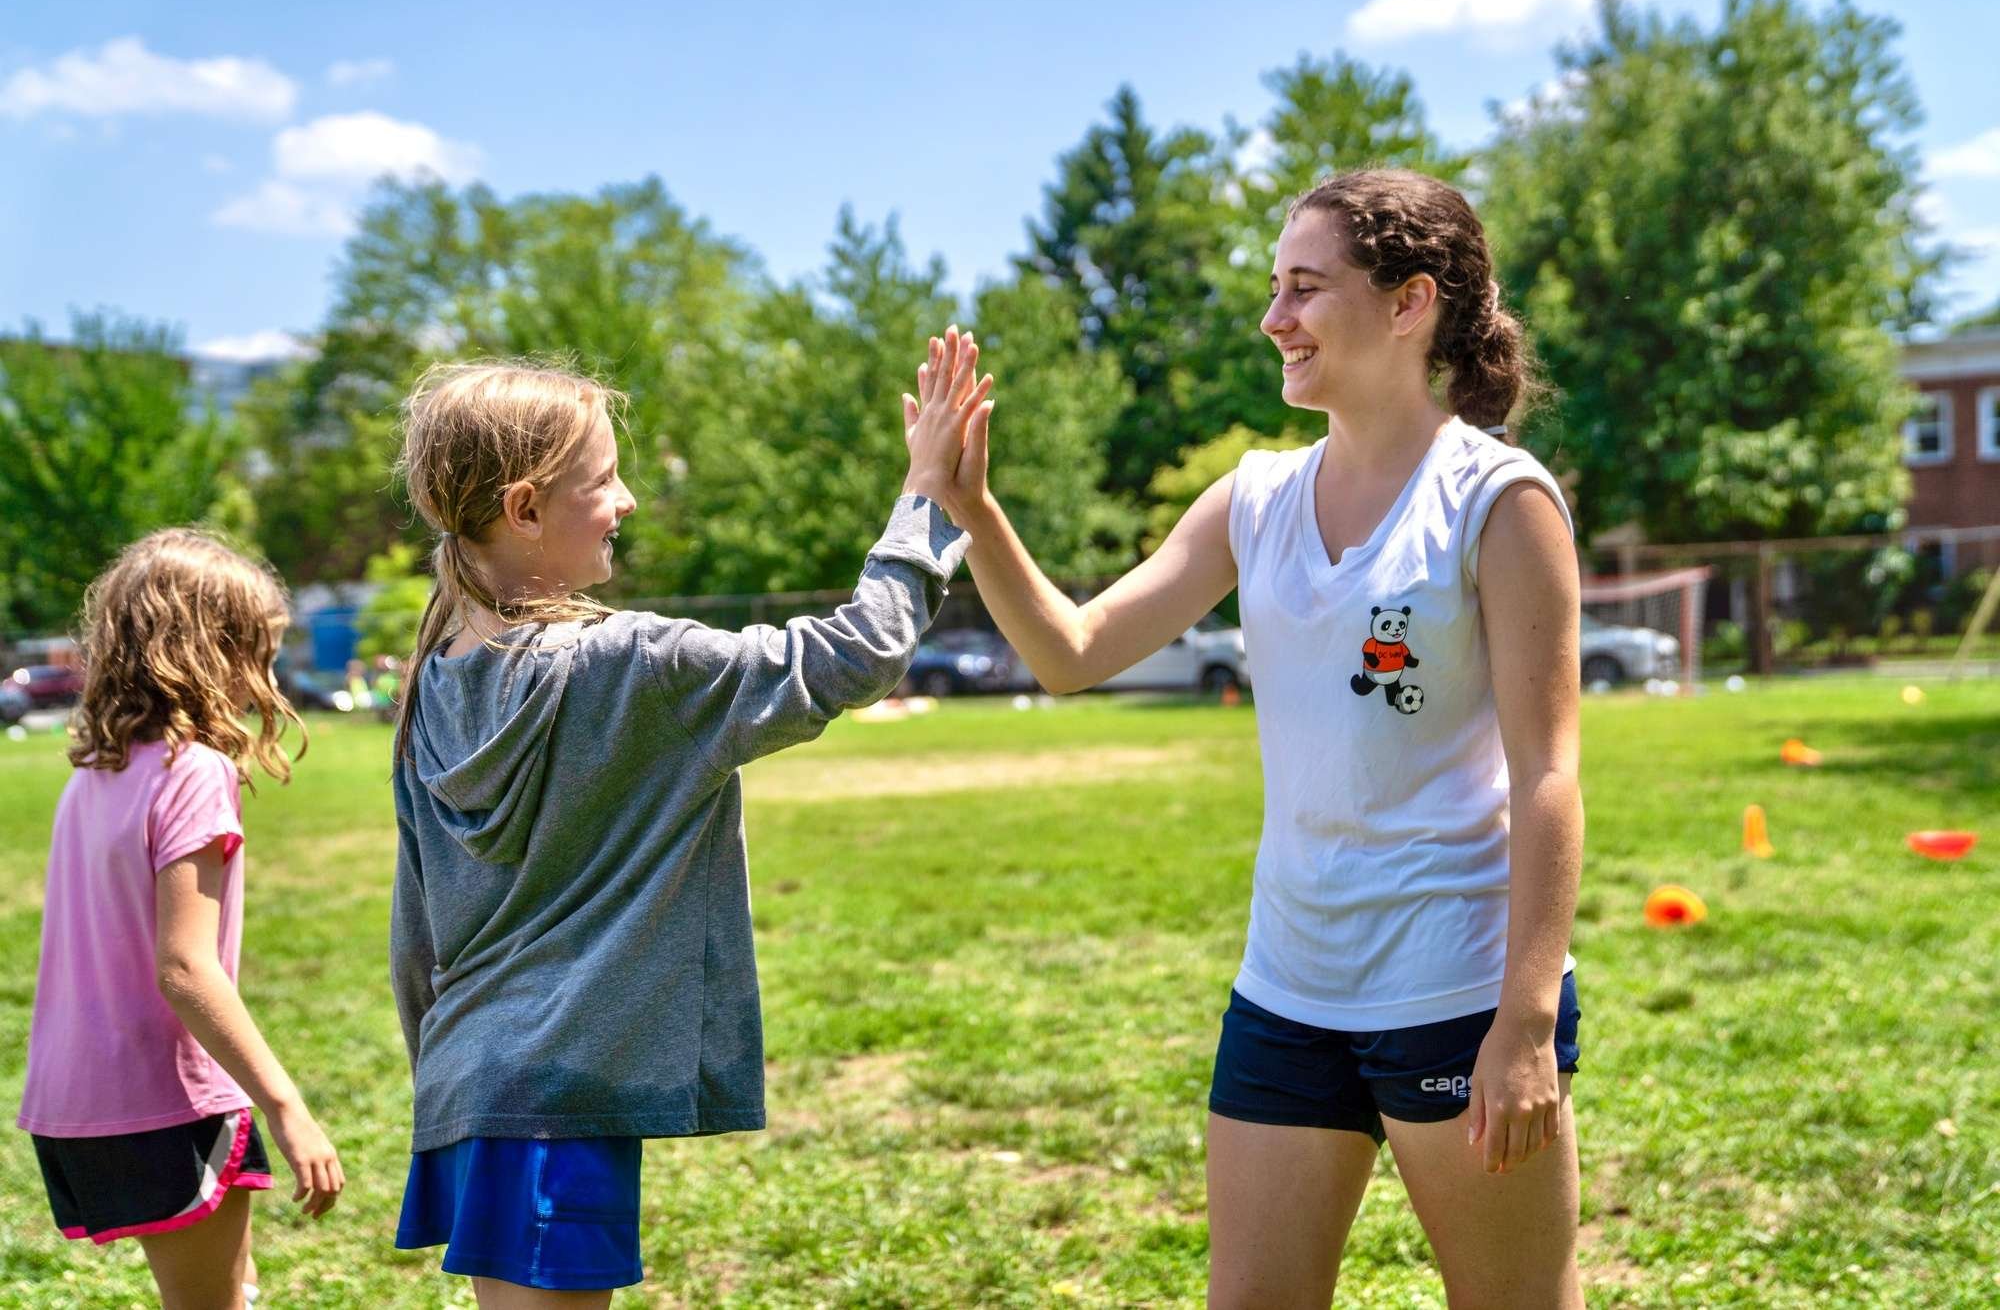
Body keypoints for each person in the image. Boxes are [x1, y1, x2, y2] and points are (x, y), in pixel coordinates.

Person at [932, 170, 1586, 1308]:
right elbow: (1072, 651)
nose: (1271, 319)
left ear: (1407, 302)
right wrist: (973, 511)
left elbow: (1546, 775)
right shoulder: (1252, 497)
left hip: (1453, 986)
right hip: (1286, 986)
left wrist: (1523, 1023)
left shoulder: (1496, 498)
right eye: (1271, 288)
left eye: (1302, 288)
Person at [386, 353, 989, 1308]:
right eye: (603, 478)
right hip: (558, 1108)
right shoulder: (633, 665)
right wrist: (925, 498)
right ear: (524, 508)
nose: (625, 498)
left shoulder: (428, 679)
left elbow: (413, 928)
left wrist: (446, 1081)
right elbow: (856, 655)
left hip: (473, 1087)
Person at [17, 529, 345, 1310]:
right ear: (211, 650)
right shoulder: (193, 770)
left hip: (72, 1101)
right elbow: (185, 967)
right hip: (162, 1093)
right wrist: (287, 1106)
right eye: (256, 649)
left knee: (235, 1288)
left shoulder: (92, 776)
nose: (261, 673)